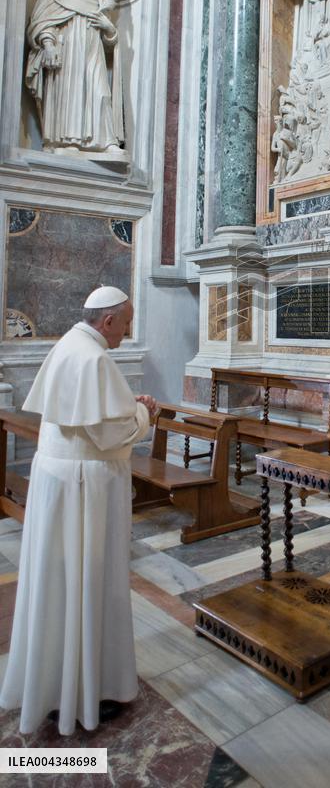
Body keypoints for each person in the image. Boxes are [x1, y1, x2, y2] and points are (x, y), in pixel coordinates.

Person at [0, 286, 157, 736]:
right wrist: (147, 413)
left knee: (57, 584)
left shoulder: (68, 346)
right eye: (125, 322)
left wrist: (130, 410)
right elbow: (111, 434)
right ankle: (82, 695)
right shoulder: (94, 359)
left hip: (59, 482)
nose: (127, 331)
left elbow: (95, 418)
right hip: (84, 488)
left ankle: (54, 684)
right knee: (88, 582)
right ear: (107, 321)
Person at [25, 0, 125, 155]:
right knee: (71, 92)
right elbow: (41, 21)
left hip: (93, 53)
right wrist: (48, 44)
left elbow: (111, 45)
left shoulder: (95, 0)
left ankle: (106, 141)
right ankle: (67, 141)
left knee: (101, 92)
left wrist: (109, 27)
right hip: (67, 51)